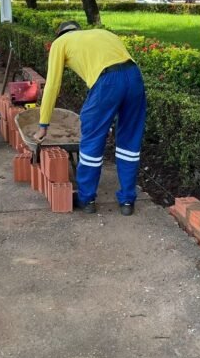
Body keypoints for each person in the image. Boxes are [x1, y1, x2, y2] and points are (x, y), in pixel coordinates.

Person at [33, 21, 146, 216]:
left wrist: (43, 125)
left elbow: (52, 85)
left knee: (92, 140)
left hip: (107, 82)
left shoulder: (60, 43)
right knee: (129, 142)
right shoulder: (102, 33)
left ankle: (87, 199)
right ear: (78, 30)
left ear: (60, 35)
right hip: (135, 78)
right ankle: (127, 201)